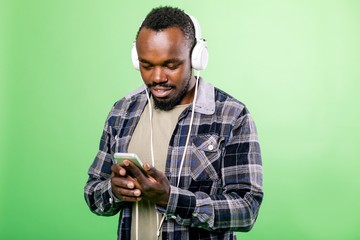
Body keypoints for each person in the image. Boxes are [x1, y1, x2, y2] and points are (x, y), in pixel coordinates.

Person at [84, 6, 263, 240]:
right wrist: (114, 191)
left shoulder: (231, 115)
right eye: (147, 66)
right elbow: (92, 193)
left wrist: (169, 198)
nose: (157, 77)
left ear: (196, 57)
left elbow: (247, 210)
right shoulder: (122, 112)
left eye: (171, 65)